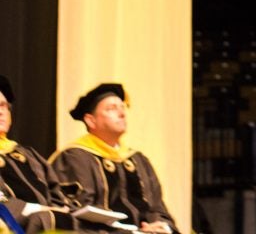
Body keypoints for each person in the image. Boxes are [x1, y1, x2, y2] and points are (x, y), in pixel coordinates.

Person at [49, 83, 179, 234]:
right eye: (111, 109)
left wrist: (163, 227)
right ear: (91, 120)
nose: (122, 113)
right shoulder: (75, 158)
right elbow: (79, 212)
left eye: (122, 107)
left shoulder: (138, 160)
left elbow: (157, 208)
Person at [0, 75, 79, 234]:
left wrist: (62, 211)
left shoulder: (29, 155)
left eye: (3, 106)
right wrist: (37, 212)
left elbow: (56, 193)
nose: (0, 112)